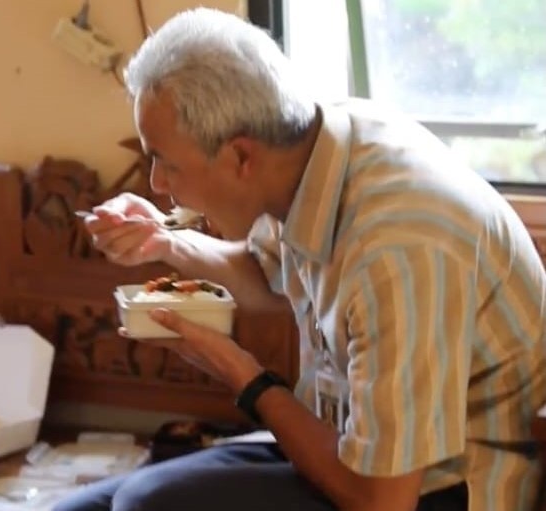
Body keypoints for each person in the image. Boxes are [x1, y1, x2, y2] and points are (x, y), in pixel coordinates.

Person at [53, 7, 546, 511]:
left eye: (167, 162)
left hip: (439, 487)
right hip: (345, 446)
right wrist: (166, 243)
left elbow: (381, 499)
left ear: (241, 157)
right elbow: (269, 280)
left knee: (146, 503)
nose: (156, 183)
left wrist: (247, 379)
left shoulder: (397, 244)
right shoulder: (309, 146)